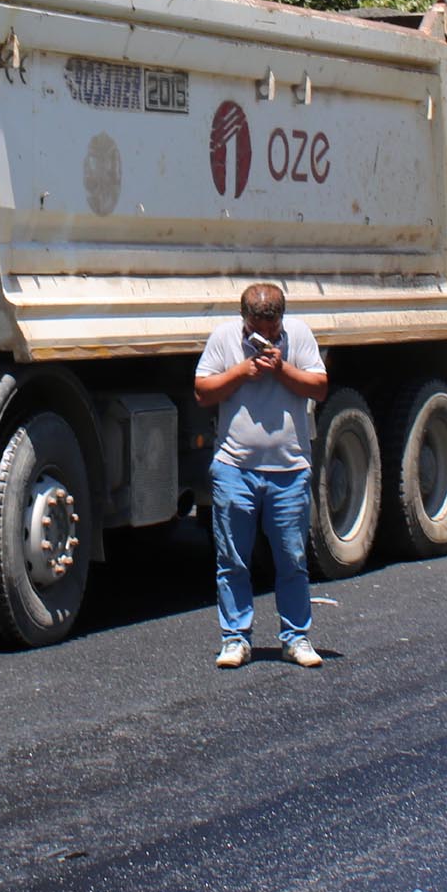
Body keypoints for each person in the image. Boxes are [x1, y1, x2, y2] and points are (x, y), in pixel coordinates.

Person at [194, 282, 331, 669]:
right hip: (235, 467)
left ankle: (296, 638)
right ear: (245, 319)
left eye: (272, 329)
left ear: (281, 321)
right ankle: (235, 638)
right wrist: (244, 371)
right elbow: (203, 392)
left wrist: (282, 368)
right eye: (258, 326)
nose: (265, 335)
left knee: (292, 557)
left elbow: (319, 388)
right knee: (232, 558)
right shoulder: (224, 339)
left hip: (288, 469)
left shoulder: (299, 337)